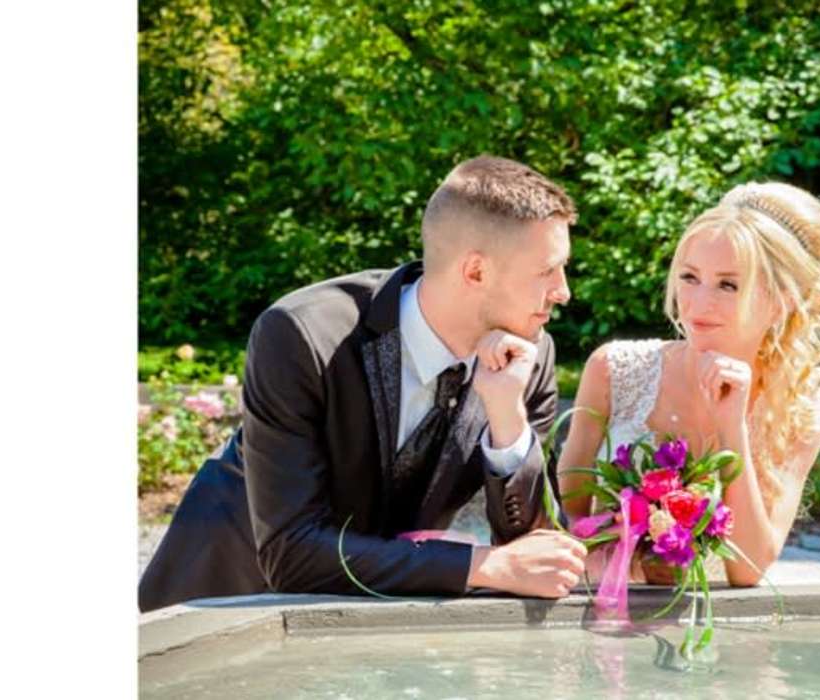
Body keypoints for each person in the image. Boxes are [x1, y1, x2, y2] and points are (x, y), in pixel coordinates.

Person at [139, 155, 588, 612]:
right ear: (475, 271)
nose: (564, 291)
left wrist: (507, 418)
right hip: (223, 601)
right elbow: (291, 553)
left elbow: (533, 554)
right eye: (546, 271)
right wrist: (479, 566)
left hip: (370, 625)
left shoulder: (529, 357)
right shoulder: (304, 334)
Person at [557, 181, 820, 586]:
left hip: (717, 622)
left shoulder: (801, 408)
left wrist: (732, 427)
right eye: (689, 277)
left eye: (728, 284)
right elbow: (567, 516)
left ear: (783, 300)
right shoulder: (612, 370)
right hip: (600, 609)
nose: (698, 303)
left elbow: (748, 569)